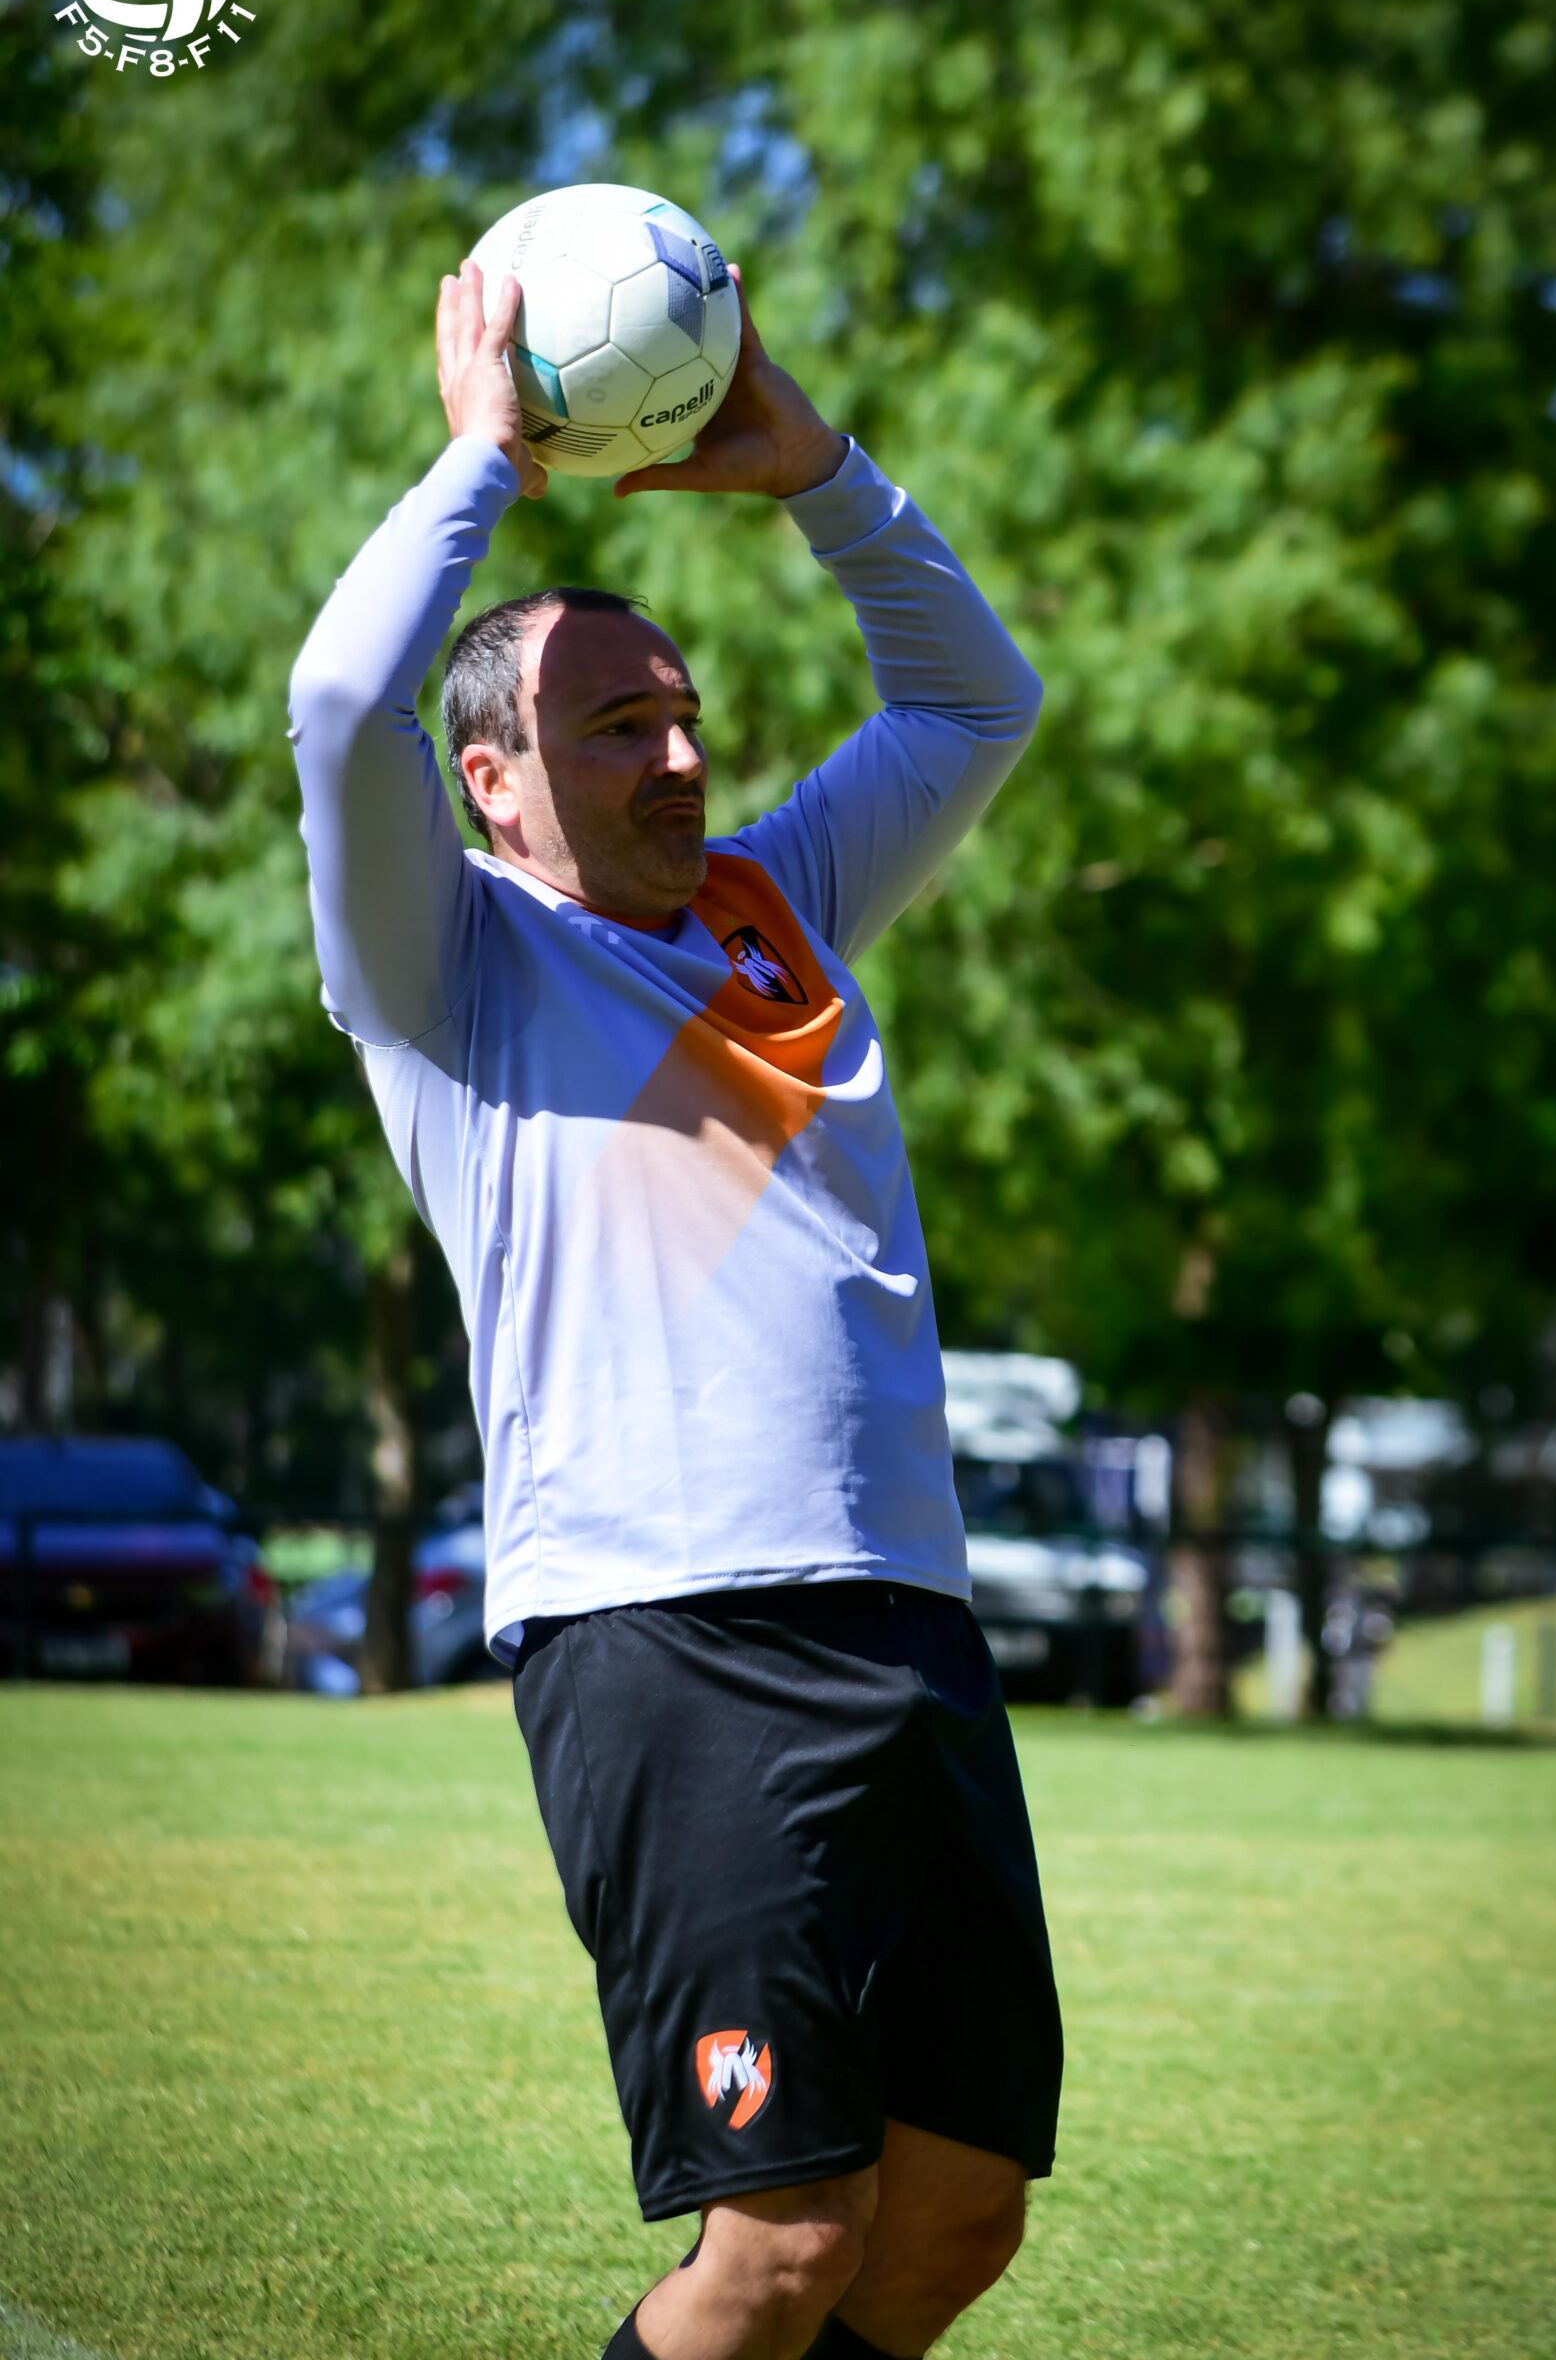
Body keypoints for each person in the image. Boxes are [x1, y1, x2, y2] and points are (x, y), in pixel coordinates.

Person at [288, 253, 1059, 2360]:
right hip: (671, 1630)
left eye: (686, 711)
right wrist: (481, 459)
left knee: (957, 2208)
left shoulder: (776, 908)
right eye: (616, 724)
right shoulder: (449, 970)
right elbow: (340, 707)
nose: (682, 752)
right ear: (491, 783)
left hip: (907, 1615)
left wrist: (819, 473)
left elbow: (975, 706)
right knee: (780, 2239)